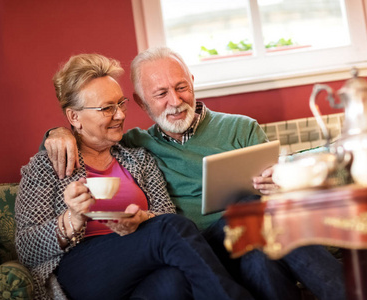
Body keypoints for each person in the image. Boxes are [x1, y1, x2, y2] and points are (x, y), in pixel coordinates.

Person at [43, 48, 346, 299]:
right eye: (160, 93)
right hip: (201, 251)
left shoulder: (242, 128)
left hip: (260, 237)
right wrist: (58, 132)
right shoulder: (135, 145)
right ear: (140, 102)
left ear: (192, 81)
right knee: (249, 212)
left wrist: (279, 186)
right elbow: (90, 134)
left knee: (257, 239)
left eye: (181, 87)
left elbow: (288, 200)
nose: (174, 102)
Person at [15, 53, 255, 300]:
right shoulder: (46, 166)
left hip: (140, 268)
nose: (119, 115)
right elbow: (25, 248)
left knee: (174, 282)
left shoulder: (139, 158)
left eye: (120, 103)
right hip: (82, 271)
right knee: (171, 229)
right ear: (74, 117)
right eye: (107, 108)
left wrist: (143, 218)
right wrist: (72, 219)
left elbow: (165, 215)